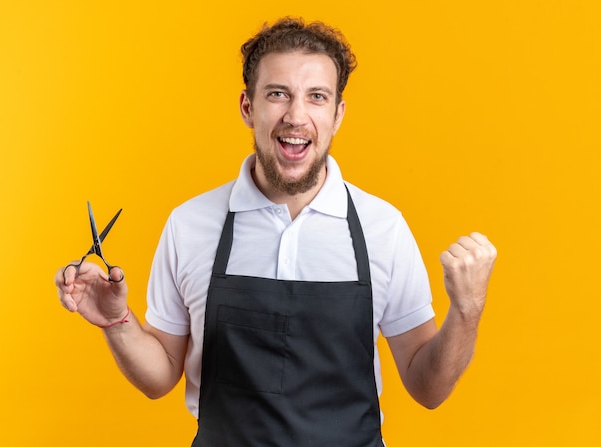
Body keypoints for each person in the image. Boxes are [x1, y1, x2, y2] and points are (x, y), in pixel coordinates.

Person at [55, 17, 497, 447]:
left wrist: (466, 310)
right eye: (278, 94)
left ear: (338, 114)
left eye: (317, 96)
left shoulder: (383, 228)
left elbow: (428, 388)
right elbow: (159, 377)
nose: (296, 115)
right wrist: (116, 321)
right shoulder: (190, 225)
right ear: (249, 107)